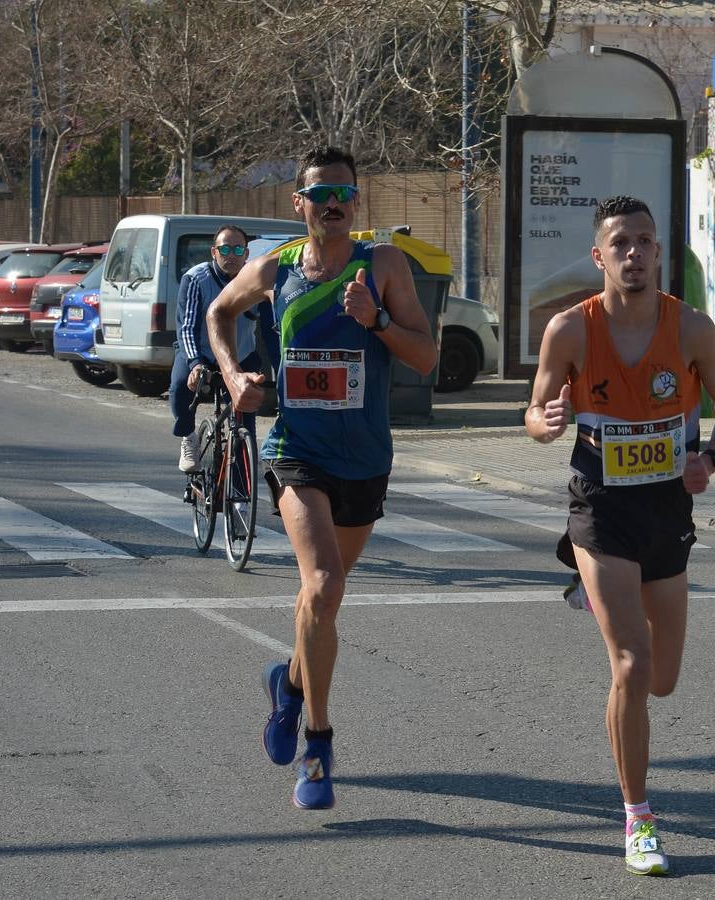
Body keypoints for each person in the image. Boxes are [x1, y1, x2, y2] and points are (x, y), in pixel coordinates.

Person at [206, 145, 438, 810]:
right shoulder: (276, 268)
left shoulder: (384, 265)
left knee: (323, 602)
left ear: (355, 203)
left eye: (344, 194)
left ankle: (289, 685)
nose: (333, 205)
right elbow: (220, 313)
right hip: (297, 448)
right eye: (320, 195)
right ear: (297, 203)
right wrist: (233, 374)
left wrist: (380, 321)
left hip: (364, 457)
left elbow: (426, 356)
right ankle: (319, 744)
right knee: (324, 582)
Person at [526, 195, 715, 875]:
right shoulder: (569, 330)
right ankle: (638, 819)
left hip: (666, 513)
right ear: (599, 255)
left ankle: (603, 598)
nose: (634, 253)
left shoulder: (691, 329)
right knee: (632, 664)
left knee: (665, 680)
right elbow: (533, 412)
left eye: (644, 242)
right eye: (620, 242)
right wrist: (549, 419)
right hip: (600, 511)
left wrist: (709, 458)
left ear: (658, 253)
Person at [171, 225, 270, 471]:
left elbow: (271, 328)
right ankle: (188, 436)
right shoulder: (196, 279)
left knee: (244, 420)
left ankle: (239, 495)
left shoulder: (257, 279)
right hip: (200, 353)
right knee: (179, 385)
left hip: (241, 355)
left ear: (246, 254)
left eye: (238, 249)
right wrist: (195, 364)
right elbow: (186, 327)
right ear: (214, 252)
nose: (231, 255)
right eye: (225, 249)